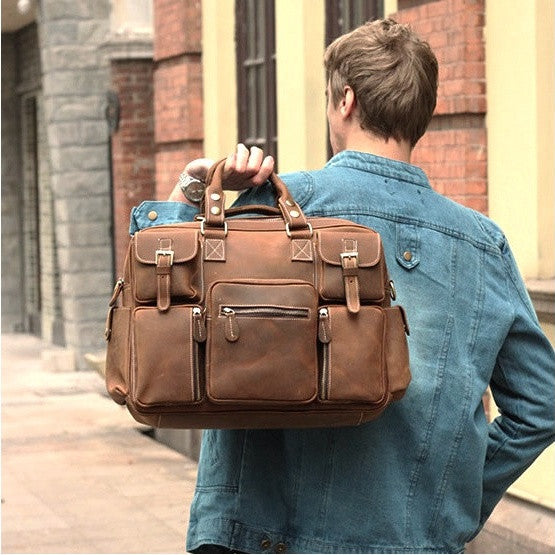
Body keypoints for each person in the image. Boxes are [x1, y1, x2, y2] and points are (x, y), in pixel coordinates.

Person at [130, 19, 555, 554]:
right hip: (411, 540)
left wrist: (194, 192)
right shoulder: (481, 246)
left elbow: (159, 327)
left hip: (260, 538)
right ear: (421, 116)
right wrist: (453, 495)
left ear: (346, 101)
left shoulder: (274, 212)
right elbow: (541, 406)